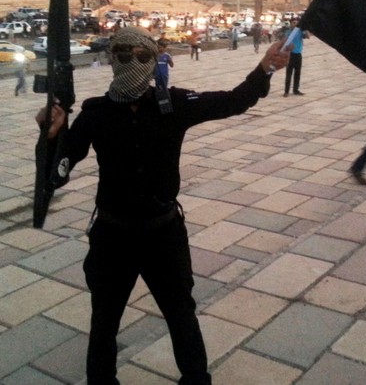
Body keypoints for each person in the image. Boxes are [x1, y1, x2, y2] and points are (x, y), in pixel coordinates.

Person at [35, 26, 290, 385]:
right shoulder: (95, 114)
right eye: (123, 55)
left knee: (181, 315)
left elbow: (233, 100)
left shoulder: (176, 105)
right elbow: (58, 173)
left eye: (142, 56)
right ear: (112, 59)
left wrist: (265, 68)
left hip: (163, 233)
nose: (132, 62)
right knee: (104, 321)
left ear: (155, 61)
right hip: (113, 236)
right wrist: (52, 136)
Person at [283, 18, 309, 97]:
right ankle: (286, 91)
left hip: (298, 55)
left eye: (297, 23)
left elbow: (307, 36)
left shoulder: (300, 31)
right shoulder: (288, 32)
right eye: (294, 23)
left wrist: (305, 29)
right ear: (291, 23)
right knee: (289, 73)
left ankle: (296, 90)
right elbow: (285, 41)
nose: (295, 24)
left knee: (297, 73)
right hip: (290, 55)